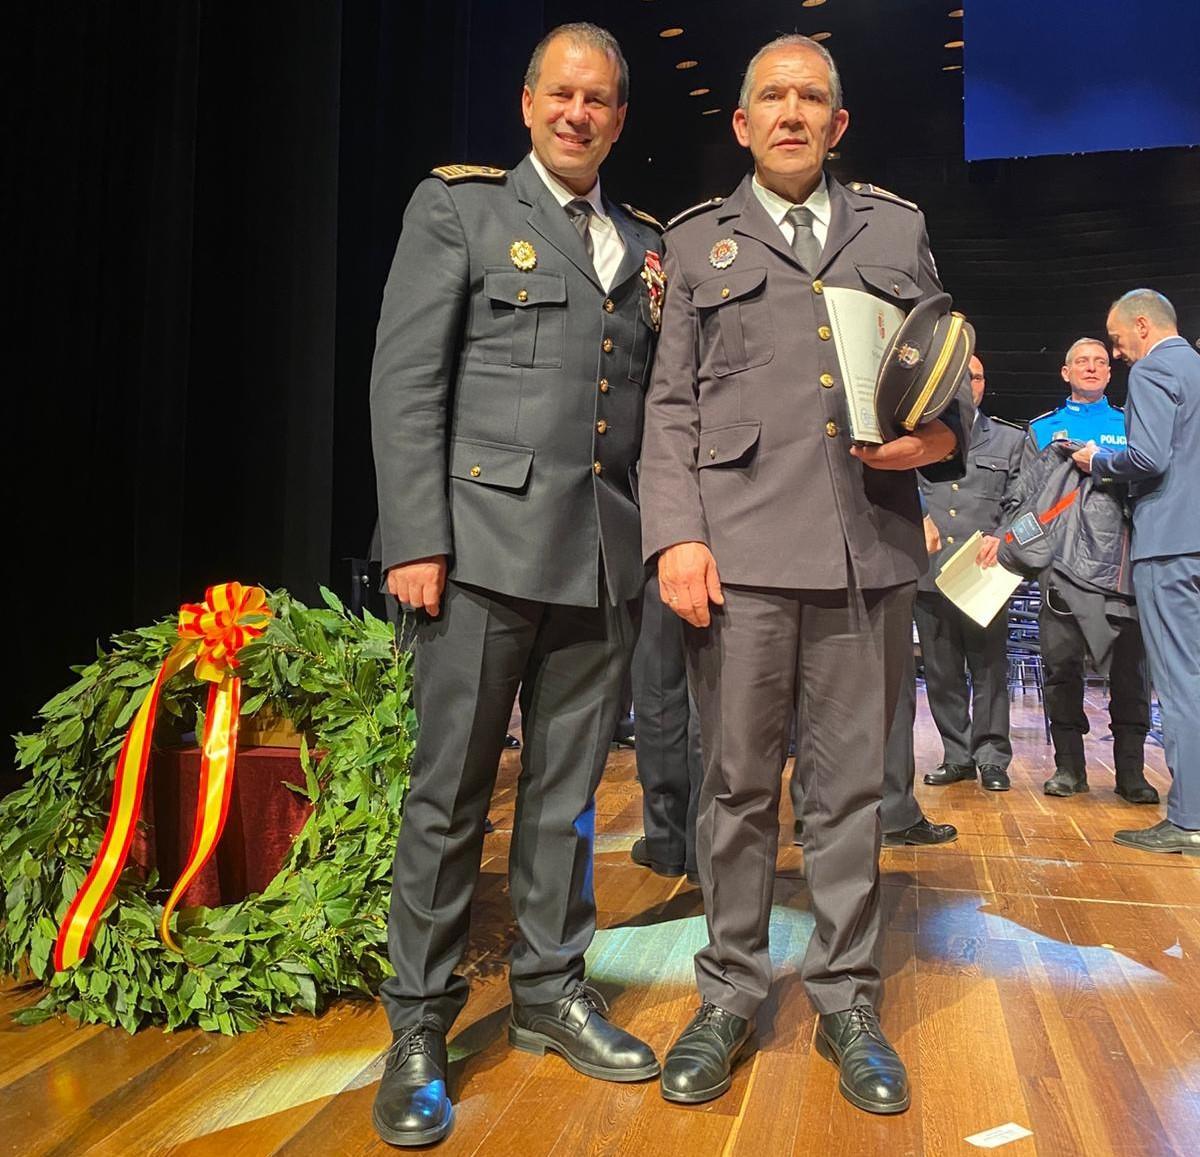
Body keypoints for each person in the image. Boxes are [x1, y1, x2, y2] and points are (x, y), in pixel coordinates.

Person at [639, 34, 971, 1115]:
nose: (791, 112)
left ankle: (847, 998)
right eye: (771, 98)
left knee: (849, 797)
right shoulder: (696, 243)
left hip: (864, 552)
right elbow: (671, 407)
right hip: (736, 556)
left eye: (811, 97)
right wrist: (675, 536)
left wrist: (940, 442)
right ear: (741, 125)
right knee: (734, 792)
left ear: (838, 123)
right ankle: (729, 992)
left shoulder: (896, 225)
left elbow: (944, 367)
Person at [368, 23, 664, 1147]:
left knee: (567, 797)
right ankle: (420, 1025)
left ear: (619, 118)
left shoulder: (641, 244)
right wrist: (415, 537)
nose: (578, 113)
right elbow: (408, 377)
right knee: (447, 798)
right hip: (479, 550)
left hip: (598, 556)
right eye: (562, 94)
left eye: (599, 100)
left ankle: (549, 991)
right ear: (529, 102)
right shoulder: (462, 208)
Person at [1073, 290, 1200, 854]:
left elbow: (1147, 458)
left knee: (1179, 684)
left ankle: (1189, 819)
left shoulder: (1153, 372)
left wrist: (1097, 461)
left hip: (1169, 543)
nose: (1118, 351)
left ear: (1143, 325)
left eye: (1118, 338)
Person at [1019, 339, 1157, 803]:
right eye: (1083, 361)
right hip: (1061, 574)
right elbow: (1024, 502)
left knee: (1131, 674)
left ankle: (1131, 774)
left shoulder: (1131, 424)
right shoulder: (1041, 431)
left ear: (1110, 373)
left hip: (1125, 571)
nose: (1093, 367)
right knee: (1061, 671)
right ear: (1065, 372)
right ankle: (1069, 769)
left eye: (1101, 361)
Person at [918, 354, 1024, 792]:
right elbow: (901, 487)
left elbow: (1023, 500)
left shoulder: (1009, 438)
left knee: (989, 669)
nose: (969, 383)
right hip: (932, 571)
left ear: (985, 384)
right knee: (941, 671)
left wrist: (1003, 538)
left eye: (975, 376)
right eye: (960, 377)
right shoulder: (918, 436)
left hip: (985, 572)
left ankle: (992, 757)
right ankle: (957, 755)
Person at [628, 572, 702, 882]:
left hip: (663, 550)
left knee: (660, 687)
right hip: (738, 547)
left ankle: (667, 843)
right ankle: (706, 846)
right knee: (714, 700)